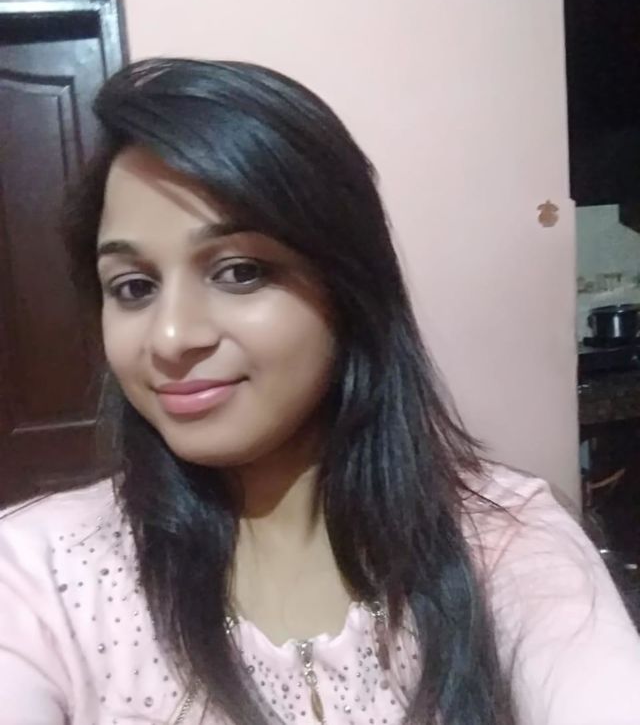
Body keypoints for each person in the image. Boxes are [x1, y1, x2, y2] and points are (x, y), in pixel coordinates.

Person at [0, 58, 639, 725]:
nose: (170, 337)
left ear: (348, 287)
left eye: (239, 272)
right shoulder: (39, 579)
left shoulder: (505, 542)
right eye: (133, 287)